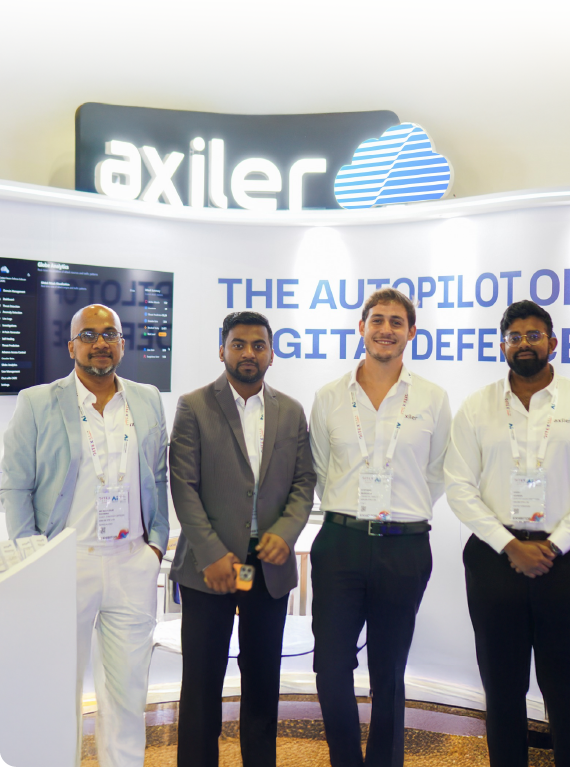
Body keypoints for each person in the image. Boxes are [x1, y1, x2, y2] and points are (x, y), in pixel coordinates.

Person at [445, 299, 570, 767]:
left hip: (567, 560)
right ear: (502, 346)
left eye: (534, 335)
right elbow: (458, 486)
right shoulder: (476, 408)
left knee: (568, 686)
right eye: (515, 337)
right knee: (501, 688)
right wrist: (509, 545)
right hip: (494, 557)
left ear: (553, 343)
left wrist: (554, 545)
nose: (524, 344)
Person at [0, 304, 169, 767]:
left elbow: (159, 474)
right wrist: (35, 556)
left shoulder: (147, 398)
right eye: (89, 334)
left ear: (121, 343)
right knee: (57, 687)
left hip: (133, 559)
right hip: (65, 561)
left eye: (109, 333)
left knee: (128, 691)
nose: (100, 342)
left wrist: (156, 543)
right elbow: (14, 483)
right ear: (71, 345)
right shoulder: (39, 401)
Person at [309, 287, 451, 767]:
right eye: (377, 320)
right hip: (340, 543)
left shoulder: (432, 398)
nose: (385, 329)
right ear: (362, 328)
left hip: (404, 547)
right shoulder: (330, 397)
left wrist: (400, 510)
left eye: (396, 322)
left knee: (389, 670)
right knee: (330, 668)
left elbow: (436, 472)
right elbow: (321, 467)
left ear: (412, 332)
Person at [169, 310, 316, 767]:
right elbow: (183, 485)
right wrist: (212, 553)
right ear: (222, 350)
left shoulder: (291, 410)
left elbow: (304, 482)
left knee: (262, 685)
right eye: (239, 344)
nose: (248, 353)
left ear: (271, 354)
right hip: (208, 568)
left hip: (267, 567)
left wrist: (286, 533)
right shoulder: (194, 406)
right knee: (201, 686)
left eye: (258, 345)